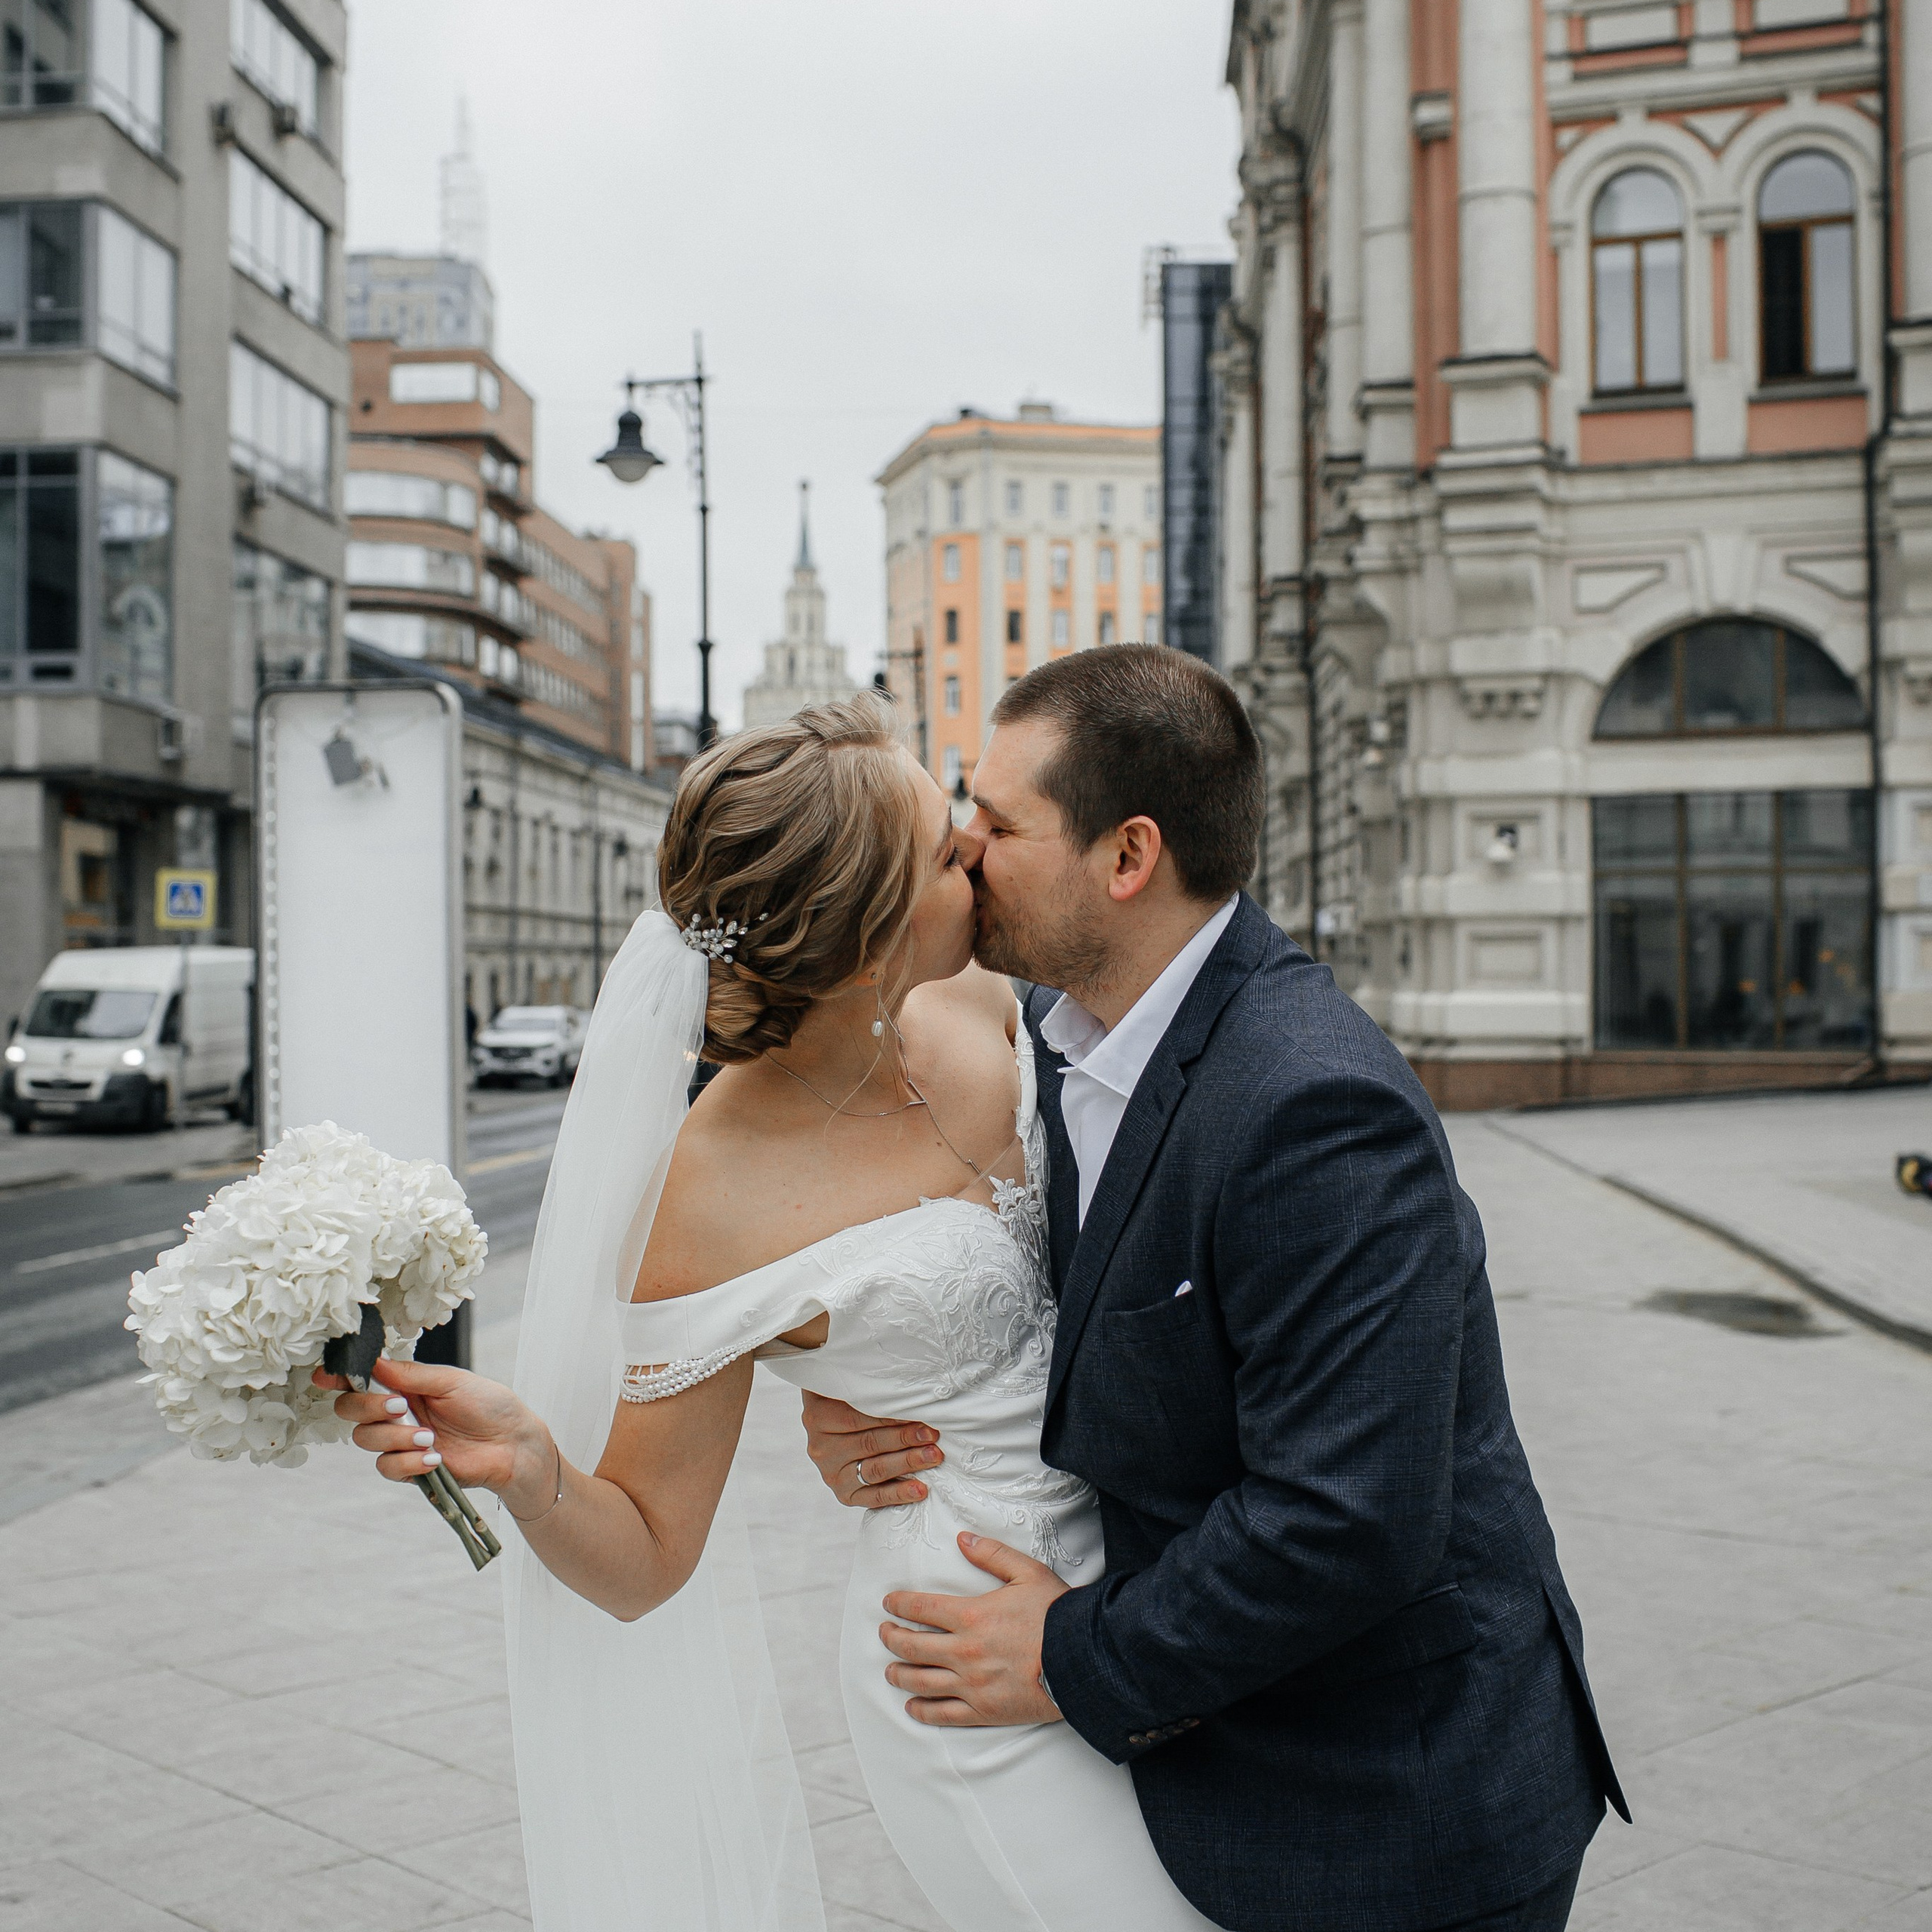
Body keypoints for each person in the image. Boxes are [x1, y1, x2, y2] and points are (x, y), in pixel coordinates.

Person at [321, 693, 1223, 1932]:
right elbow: (647, 1556)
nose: (975, 846)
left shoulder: (992, 1003)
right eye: (942, 848)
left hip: (1148, 1598)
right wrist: (533, 1466)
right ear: (860, 935)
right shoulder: (709, 1192)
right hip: (956, 1654)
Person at [799, 647, 1627, 1931]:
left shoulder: (1314, 1105)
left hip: (1389, 1812)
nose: (963, 848)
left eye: (1000, 823)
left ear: (1128, 857)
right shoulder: (1067, 1037)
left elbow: (1347, 1516)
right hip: (1239, 1744)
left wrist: (1069, 1657)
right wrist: (875, 1398)